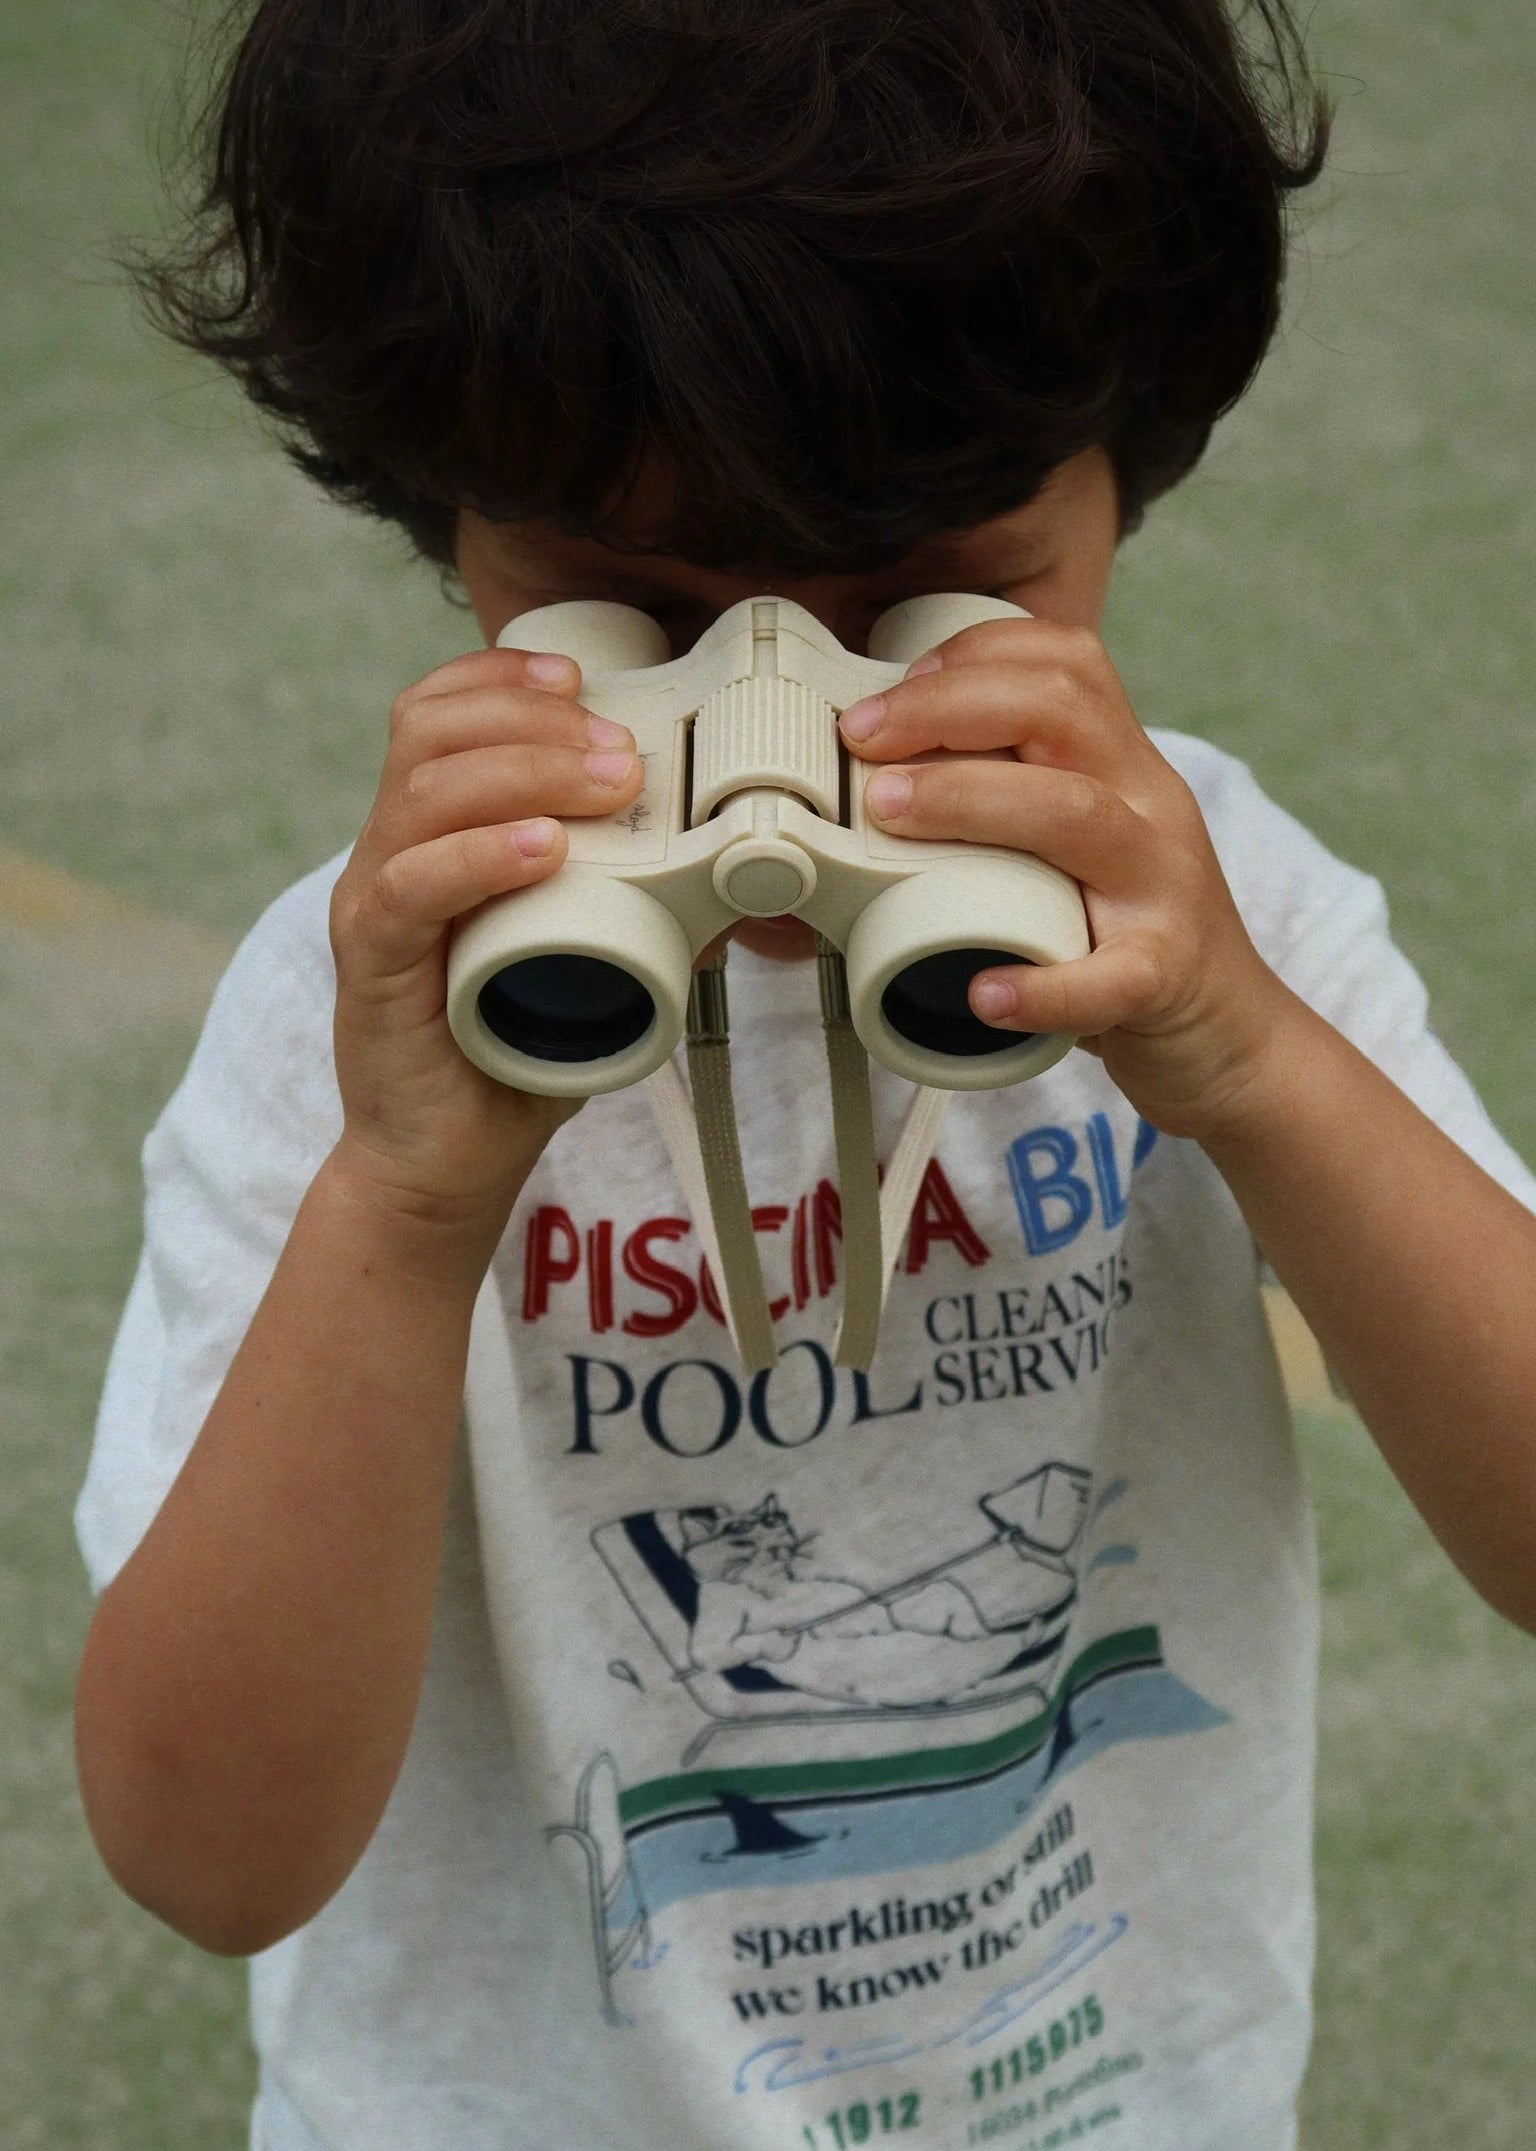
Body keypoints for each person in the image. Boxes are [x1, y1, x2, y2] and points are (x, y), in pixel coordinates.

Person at [71, 3, 1536, 2148]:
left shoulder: (1205, 909)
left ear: (1134, 463)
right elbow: (208, 1853)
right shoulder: (366, 1008)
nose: (786, 715)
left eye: (929, 606)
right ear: (441, 513)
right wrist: (398, 1204)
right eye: (624, 621)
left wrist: (1245, 1055)